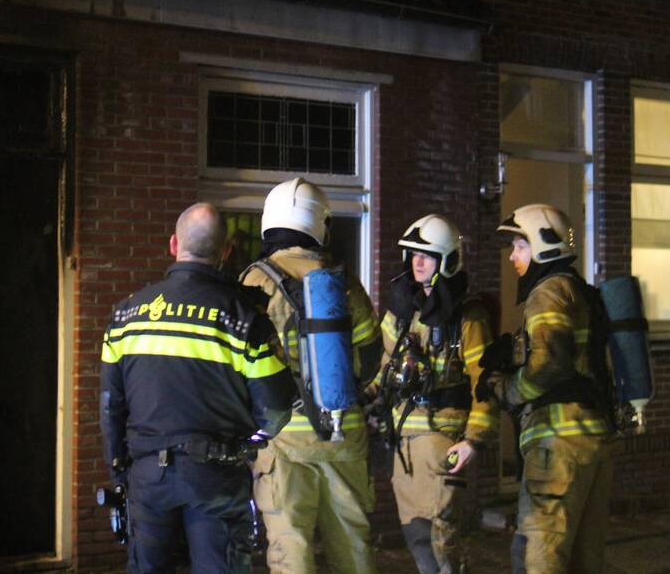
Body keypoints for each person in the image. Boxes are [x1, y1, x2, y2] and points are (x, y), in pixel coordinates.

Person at [100, 202, 296, 574]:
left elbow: (111, 406)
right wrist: (246, 442)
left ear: (174, 244)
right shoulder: (245, 318)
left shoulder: (126, 315)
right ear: (226, 251)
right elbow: (276, 409)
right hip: (216, 480)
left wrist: (120, 471)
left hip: (148, 478)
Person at [240, 177, 382, 574]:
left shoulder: (254, 281)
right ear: (320, 223)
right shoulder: (342, 280)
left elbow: (239, 365)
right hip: (342, 433)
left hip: (283, 440)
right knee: (353, 548)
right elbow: (371, 357)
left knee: (292, 549)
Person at [477, 203, 613, 574]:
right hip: (592, 440)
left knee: (538, 556)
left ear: (543, 245)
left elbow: (550, 364)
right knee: (584, 561)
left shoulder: (548, 291)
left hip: (557, 446)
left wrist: (506, 389)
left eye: (520, 246)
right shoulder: (579, 291)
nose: (513, 257)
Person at [367, 214, 499, 574]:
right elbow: (382, 367)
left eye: (426, 256)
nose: (417, 262)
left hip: (444, 440)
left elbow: (485, 380)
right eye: (413, 255)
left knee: (442, 538)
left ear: (448, 260)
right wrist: (363, 401)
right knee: (416, 536)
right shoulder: (401, 310)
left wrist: (474, 440)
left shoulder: (467, 316)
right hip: (403, 443)